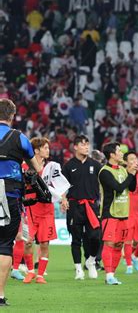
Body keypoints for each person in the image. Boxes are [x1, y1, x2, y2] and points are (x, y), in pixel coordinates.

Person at [0, 99, 41, 305]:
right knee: (5, 245)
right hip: (10, 195)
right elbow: (36, 167)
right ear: (12, 116)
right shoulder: (20, 138)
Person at [22, 138, 63, 284]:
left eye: (48, 147)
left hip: (47, 210)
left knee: (45, 243)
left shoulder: (52, 167)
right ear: (36, 151)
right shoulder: (25, 167)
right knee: (27, 242)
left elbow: (60, 185)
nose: (48, 150)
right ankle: (30, 272)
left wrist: (63, 198)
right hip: (30, 209)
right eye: (45, 148)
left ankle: (40, 275)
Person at [62, 135, 103, 280]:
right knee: (76, 239)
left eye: (87, 144)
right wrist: (63, 199)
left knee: (96, 237)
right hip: (74, 206)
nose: (86, 147)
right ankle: (78, 269)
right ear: (75, 147)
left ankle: (91, 260)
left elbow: (104, 183)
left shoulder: (96, 165)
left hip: (92, 206)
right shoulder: (68, 165)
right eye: (83, 144)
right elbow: (61, 185)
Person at [99, 142, 137, 285]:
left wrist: (133, 172)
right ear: (112, 155)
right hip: (110, 213)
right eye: (119, 151)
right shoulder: (104, 172)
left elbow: (131, 188)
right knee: (109, 243)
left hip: (123, 213)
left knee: (119, 244)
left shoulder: (122, 169)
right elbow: (119, 188)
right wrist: (130, 174)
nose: (122, 153)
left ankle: (112, 274)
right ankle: (108, 274)